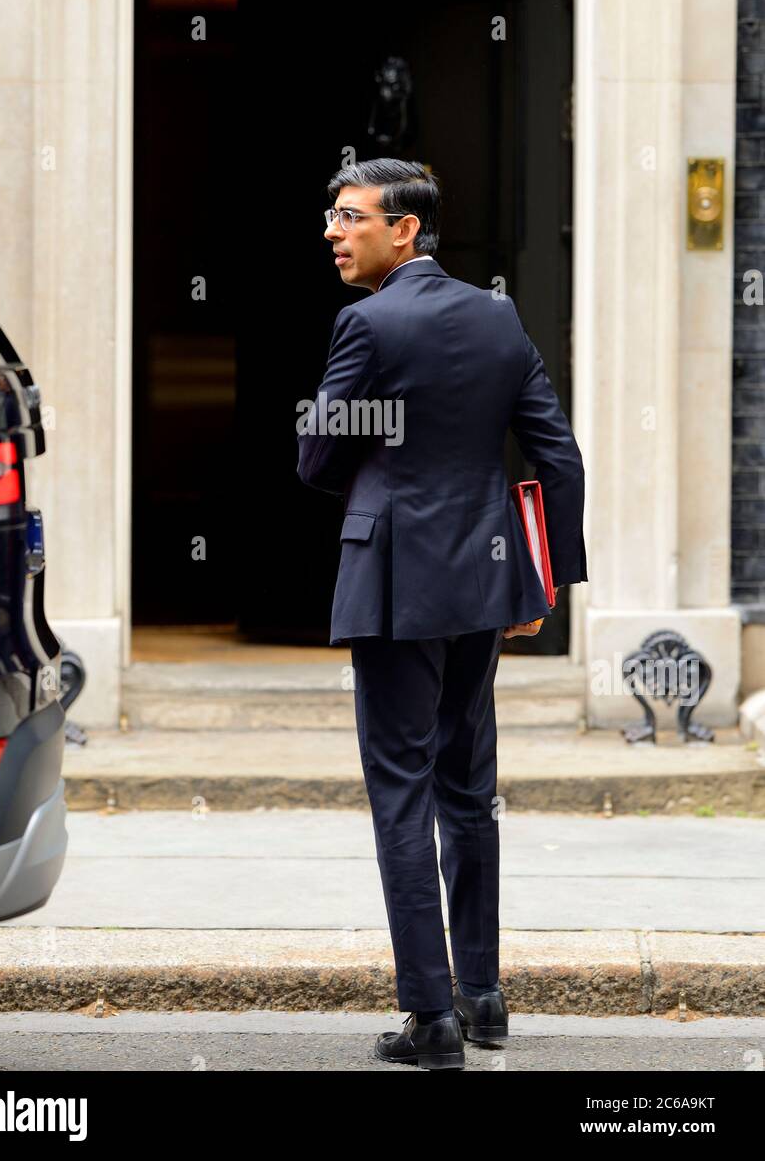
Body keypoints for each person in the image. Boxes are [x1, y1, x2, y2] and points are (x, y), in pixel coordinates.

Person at [297, 157, 587, 1070]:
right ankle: (485, 997)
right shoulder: (497, 317)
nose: (334, 233)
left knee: (400, 794)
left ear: (405, 229)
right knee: (469, 793)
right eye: (332, 218)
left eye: (350, 218)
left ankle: (430, 1021)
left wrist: (379, 458)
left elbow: (315, 453)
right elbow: (558, 456)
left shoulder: (367, 322)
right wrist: (546, 583)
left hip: (392, 584)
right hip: (485, 582)